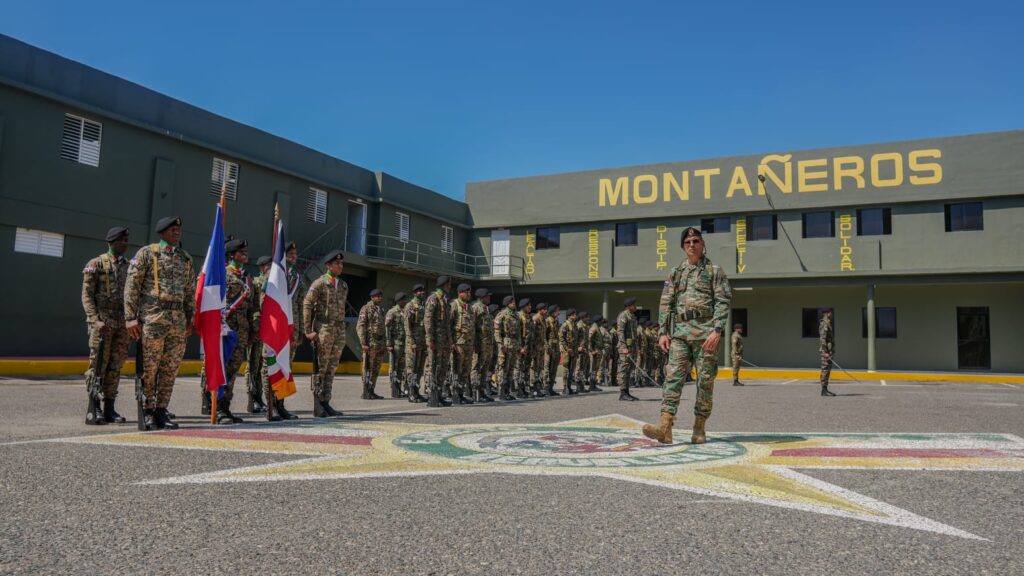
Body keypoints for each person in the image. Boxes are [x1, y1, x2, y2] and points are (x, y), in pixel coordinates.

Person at [642, 227, 731, 445]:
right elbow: (666, 302)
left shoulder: (713, 271)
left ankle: (699, 427)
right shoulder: (676, 272)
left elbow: (723, 301)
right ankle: (665, 427)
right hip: (680, 334)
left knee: (705, 382)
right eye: (688, 242)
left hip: (705, 335)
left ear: (702, 244)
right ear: (683, 246)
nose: (692, 244)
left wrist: (717, 330)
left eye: (695, 241)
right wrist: (663, 331)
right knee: (672, 378)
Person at [124, 216, 195, 430]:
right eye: (172, 229)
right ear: (162, 232)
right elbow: (132, 287)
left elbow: (190, 292)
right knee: (150, 367)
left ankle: (161, 410)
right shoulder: (147, 254)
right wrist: (130, 318)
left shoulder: (185, 258)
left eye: (178, 229)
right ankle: (147, 410)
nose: (177, 232)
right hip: (154, 317)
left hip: (177, 321)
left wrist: (190, 319)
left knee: (169, 368)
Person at [81, 226, 131, 425]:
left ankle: (110, 407)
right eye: (121, 241)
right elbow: (86, 295)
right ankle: (95, 407)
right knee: (98, 366)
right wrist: (95, 320)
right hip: (102, 323)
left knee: (115, 366)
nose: (125, 244)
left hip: (121, 324)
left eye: (126, 240)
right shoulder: (96, 264)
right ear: (111, 242)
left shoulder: (129, 266)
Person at [302, 250, 348, 417]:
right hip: (324, 329)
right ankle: (317, 404)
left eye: (341, 264)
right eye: (337, 263)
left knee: (331, 368)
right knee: (320, 367)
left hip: (339, 330)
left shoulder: (343, 285)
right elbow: (307, 304)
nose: (340, 266)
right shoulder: (319, 283)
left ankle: (325, 402)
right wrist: (308, 330)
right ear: (328, 265)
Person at [215, 238, 256, 424]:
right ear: (231, 255)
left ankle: (225, 408)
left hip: (242, 332)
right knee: (221, 368)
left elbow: (252, 307)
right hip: (225, 330)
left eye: (246, 251)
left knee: (232, 370)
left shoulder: (247, 278)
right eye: (241, 252)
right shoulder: (221, 274)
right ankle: (215, 407)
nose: (245, 254)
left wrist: (252, 329)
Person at [423, 276, 453, 406]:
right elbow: (428, 320)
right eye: (448, 285)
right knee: (433, 367)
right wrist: (430, 339)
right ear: (443, 285)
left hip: (444, 341)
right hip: (435, 340)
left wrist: (450, 340)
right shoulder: (433, 299)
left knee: (442, 367)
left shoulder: (445, 300)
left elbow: (447, 324)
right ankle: (431, 394)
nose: (450, 287)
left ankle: (439, 393)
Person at [248, 255, 272, 414]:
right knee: (253, 365)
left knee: (263, 366)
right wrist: (254, 327)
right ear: (262, 267)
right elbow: (252, 306)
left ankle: (259, 397)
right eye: (268, 265)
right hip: (257, 327)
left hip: (268, 328)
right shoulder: (256, 283)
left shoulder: (273, 283)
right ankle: (252, 398)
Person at [356, 288, 387, 400]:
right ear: (372, 297)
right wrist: (363, 343)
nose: (380, 298)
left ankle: (371, 390)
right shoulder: (366, 308)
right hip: (370, 343)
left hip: (380, 343)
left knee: (376, 368)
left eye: (380, 296)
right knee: (367, 368)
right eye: (377, 296)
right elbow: (360, 326)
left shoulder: (381, 309)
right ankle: (365, 391)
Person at [449, 283, 476, 404]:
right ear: (460, 293)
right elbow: (448, 325)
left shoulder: (469, 307)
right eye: (466, 292)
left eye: (469, 292)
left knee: (466, 369)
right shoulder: (454, 305)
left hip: (468, 343)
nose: (468, 294)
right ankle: (454, 393)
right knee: (457, 369)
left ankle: (461, 393)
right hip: (459, 343)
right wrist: (451, 343)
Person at [403, 284, 428, 403]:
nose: (422, 293)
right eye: (419, 291)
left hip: (422, 343)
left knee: (419, 369)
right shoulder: (410, 306)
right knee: (411, 369)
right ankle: (411, 393)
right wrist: (412, 342)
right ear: (414, 293)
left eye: (422, 291)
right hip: (413, 344)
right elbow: (407, 326)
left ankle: (417, 391)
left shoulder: (424, 306)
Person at [470, 289, 495, 402]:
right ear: (481, 297)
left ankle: (482, 390)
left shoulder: (486, 309)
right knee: (476, 367)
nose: (489, 298)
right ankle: (474, 391)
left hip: (487, 344)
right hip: (479, 344)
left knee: (485, 368)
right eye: (487, 296)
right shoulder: (475, 308)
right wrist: (475, 343)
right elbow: (472, 327)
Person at [493, 296, 520, 401]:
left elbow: (518, 333)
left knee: (511, 369)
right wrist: (500, 345)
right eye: (512, 302)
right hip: (505, 344)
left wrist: (519, 345)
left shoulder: (516, 315)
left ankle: (508, 391)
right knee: (502, 367)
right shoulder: (502, 314)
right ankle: (501, 391)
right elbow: (497, 331)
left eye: (514, 302)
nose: (514, 303)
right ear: (507, 303)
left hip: (514, 344)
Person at [615, 298, 640, 401]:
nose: (635, 306)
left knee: (629, 370)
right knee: (624, 369)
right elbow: (620, 332)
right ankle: (622, 393)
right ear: (629, 306)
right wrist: (624, 346)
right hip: (624, 348)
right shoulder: (623, 316)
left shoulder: (632, 316)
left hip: (631, 347)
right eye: (634, 305)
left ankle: (627, 392)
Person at [385, 291, 408, 399]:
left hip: (404, 344)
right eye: (403, 300)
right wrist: (389, 344)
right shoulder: (392, 312)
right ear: (399, 301)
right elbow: (387, 329)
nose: (405, 301)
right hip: (395, 344)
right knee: (393, 367)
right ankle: (394, 388)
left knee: (401, 368)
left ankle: (399, 387)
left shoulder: (405, 311)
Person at [513, 298, 534, 399]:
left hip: (528, 347)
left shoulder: (529, 317)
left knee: (526, 368)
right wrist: (520, 347)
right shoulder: (519, 317)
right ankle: (517, 389)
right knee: (518, 368)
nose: (530, 307)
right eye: (528, 305)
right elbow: (516, 334)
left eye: (530, 305)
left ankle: (524, 387)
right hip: (520, 347)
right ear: (523, 306)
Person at [558, 309, 579, 394]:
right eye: (574, 314)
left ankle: (569, 387)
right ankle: (565, 387)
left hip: (573, 350)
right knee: (566, 368)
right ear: (570, 315)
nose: (575, 316)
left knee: (571, 369)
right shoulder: (565, 325)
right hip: (567, 350)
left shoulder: (574, 325)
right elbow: (561, 337)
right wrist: (567, 348)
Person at [543, 305, 561, 396]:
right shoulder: (547, 321)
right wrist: (547, 348)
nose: (559, 312)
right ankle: (545, 388)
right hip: (549, 348)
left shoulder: (556, 321)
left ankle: (551, 388)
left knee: (554, 368)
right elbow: (544, 337)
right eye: (558, 311)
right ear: (553, 312)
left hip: (556, 348)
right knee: (547, 368)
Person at [819, 310, 836, 396]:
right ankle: (823, 390)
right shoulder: (824, 324)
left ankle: (825, 389)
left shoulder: (828, 323)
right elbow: (823, 338)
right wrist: (825, 352)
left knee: (827, 370)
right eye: (830, 312)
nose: (831, 314)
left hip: (828, 351)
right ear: (826, 313)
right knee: (825, 369)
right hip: (825, 352)